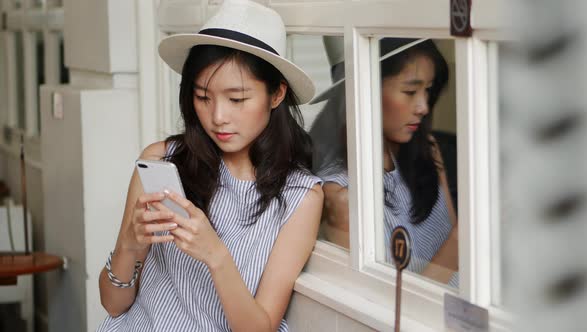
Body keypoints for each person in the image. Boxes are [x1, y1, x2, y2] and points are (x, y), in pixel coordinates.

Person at [97, 0, 323, 331]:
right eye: (203, 97)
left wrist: (216, 255)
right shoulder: (161, 160)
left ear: (276, 95)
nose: (217, 117)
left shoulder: (300, 196)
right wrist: (129, 246)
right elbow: (113, 304)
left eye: (237, 99)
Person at [310, 37, 458, 286]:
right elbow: (388, 309)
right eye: (410, 91)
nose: (423, 106)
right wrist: (467, 237)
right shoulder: (341, 196)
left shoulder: (426, 150)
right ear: (362, 92)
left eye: (428, 90)